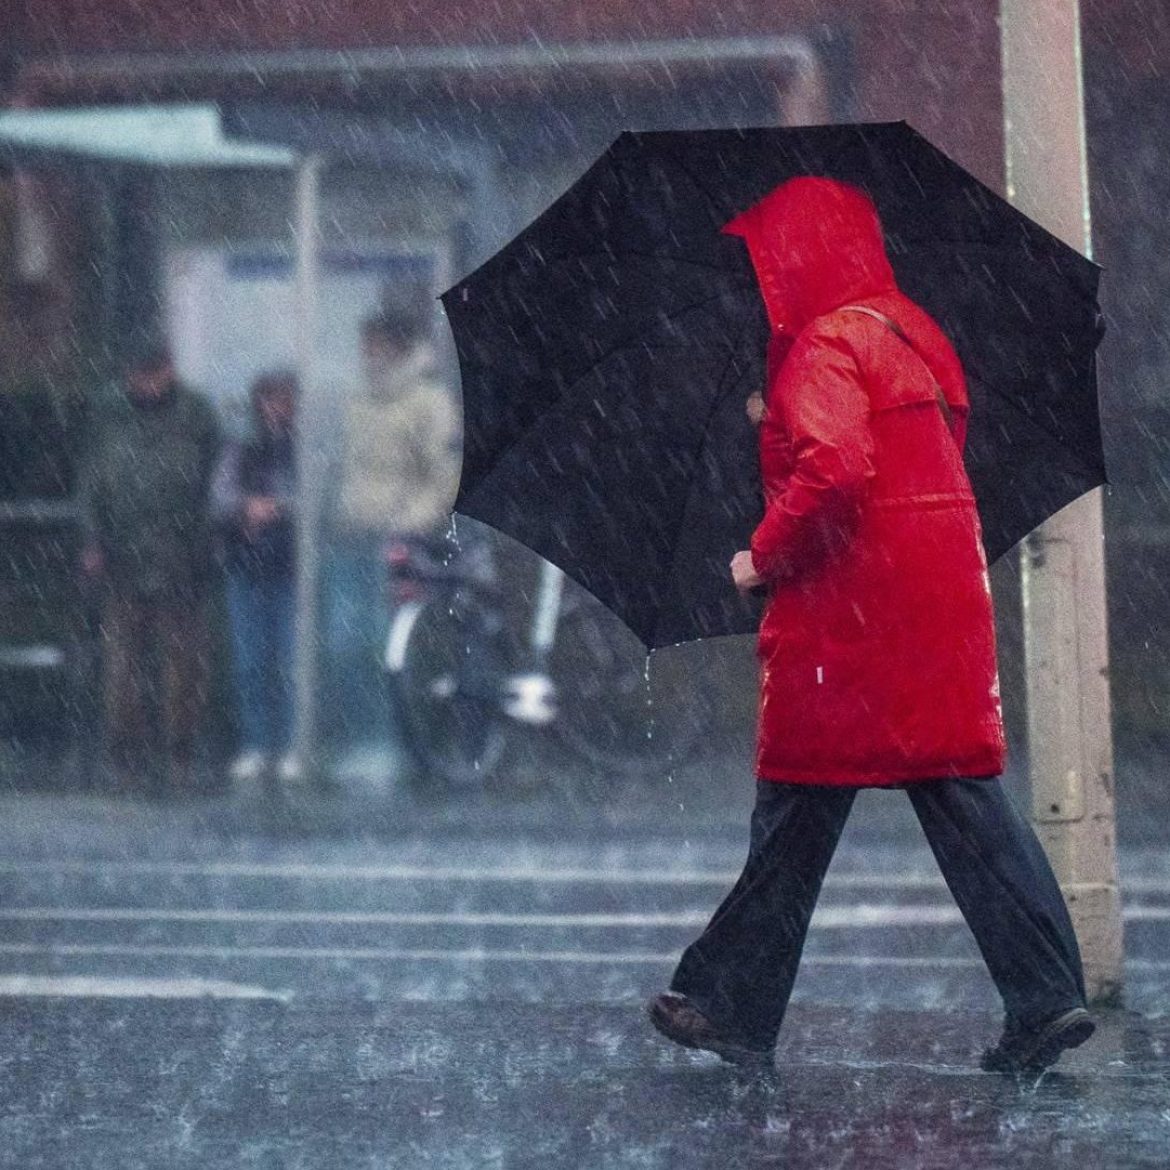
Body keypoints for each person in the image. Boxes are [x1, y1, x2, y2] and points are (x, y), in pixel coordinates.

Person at [647, 177, 1095, 1075]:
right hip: (934, 594)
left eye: (769, 266)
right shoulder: (910, 331)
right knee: (959, 792)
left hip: (850, 610)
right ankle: (1047, 999)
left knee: (799, 799)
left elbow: (837, 474)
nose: (764, 285)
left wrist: (760, 556)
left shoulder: (821, 346)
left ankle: (731, 1002)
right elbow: (918, 452)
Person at [79, 338, 222, 792]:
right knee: (123, 663)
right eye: (138, 374)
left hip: (182, 558)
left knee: (183, 662)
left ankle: (179, 748)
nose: (144, 383)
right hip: (124, 555)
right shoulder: (109, 414)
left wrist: (204, 539)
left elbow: (211, 484)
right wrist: (93, 540)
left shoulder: (197, 415)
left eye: (152, 372)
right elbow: (92, 484)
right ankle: (127, 750)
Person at [327, 303, 460, 772]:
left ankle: (392, 747)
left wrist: (410, 522)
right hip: (350, 538)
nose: (367, 355)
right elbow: (338, 463)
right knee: (345, 645)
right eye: (365, 346)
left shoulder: (430, 401)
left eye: (375, 345)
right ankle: (355, 741)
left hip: (400, 540)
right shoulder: (354, 398)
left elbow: (443, 476)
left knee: (389, 645)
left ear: (399, 347)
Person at [213, 371, 300, 785]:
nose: (275, 407)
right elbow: (219, 497)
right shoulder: (242, 445)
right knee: (251, 662)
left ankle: (289, 744)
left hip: (288, 567)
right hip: (247, 566)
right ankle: (256, 744)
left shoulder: (302, 445)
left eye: (283, 398)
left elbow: (316, 495)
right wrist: (245, 508)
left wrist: (279, 508)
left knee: (287, 660)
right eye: (268, 399)